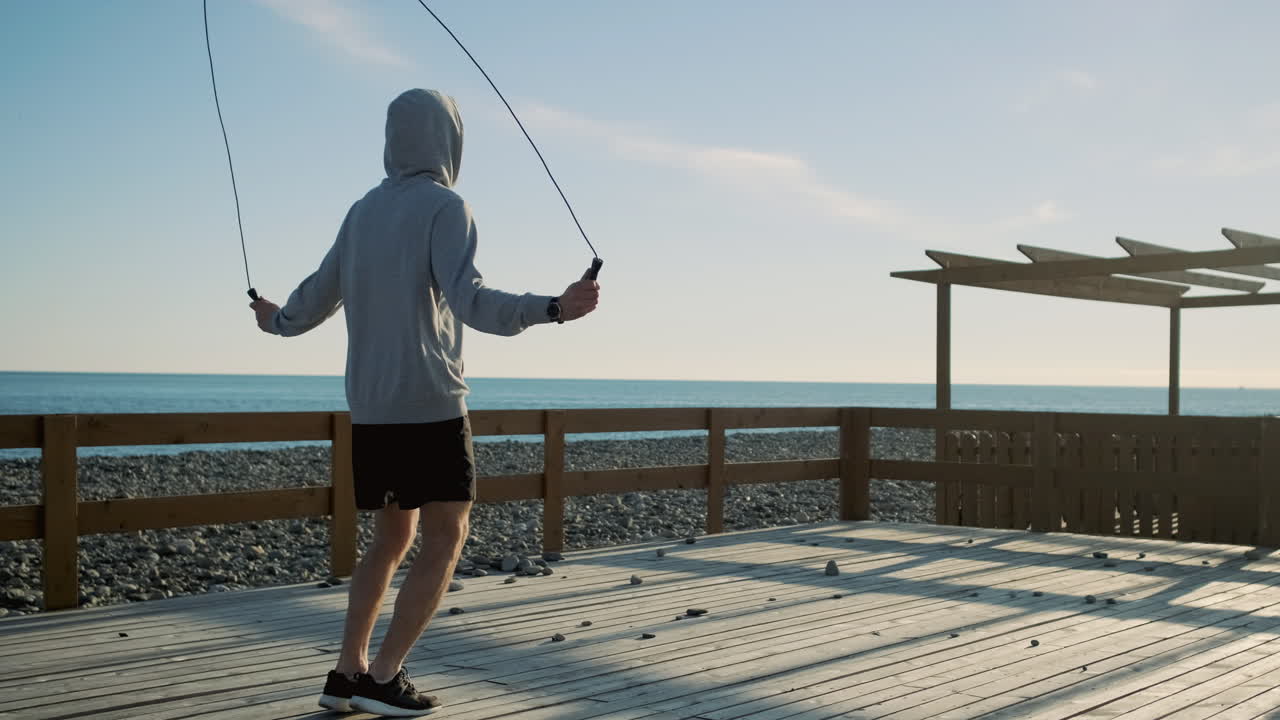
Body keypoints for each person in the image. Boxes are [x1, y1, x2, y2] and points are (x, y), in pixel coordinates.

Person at [249, 88, 600, 717]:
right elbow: (470, 299)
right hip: (431, 405)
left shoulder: (361, 212)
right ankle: (384, 677)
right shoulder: (447, 206)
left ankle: (345, 673)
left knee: (391, 537)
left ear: (392, 138)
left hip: (371, 410)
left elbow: (315, 296)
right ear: (449, 139)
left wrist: (277, 321)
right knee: (446, 534)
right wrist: (553, 308)